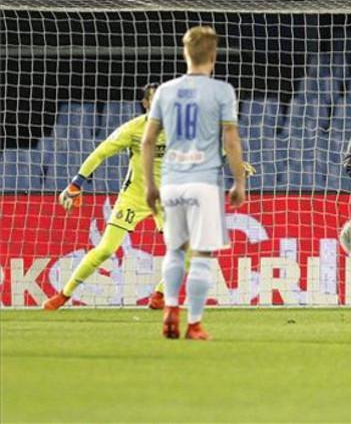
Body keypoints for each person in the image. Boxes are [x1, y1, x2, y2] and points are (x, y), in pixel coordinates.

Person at [143, 26, 247, 341]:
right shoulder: (221, 91)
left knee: (174, 250)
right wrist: (239, 180)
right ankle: (195, 323)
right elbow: (230, 139)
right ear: (213, 56)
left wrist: (150, 185)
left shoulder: (165, 91)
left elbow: (148, 141)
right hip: (204, 182)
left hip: (172, 182)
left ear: (184, 53)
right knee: (202, 254)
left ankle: (170, 311)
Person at [43, 85, 168, 310]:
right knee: (105, 250)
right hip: (135, 197)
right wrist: (76, 183)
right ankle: (64, 295)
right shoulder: (133, 129)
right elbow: (100, 152)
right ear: (146, 104)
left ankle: (159, 295)